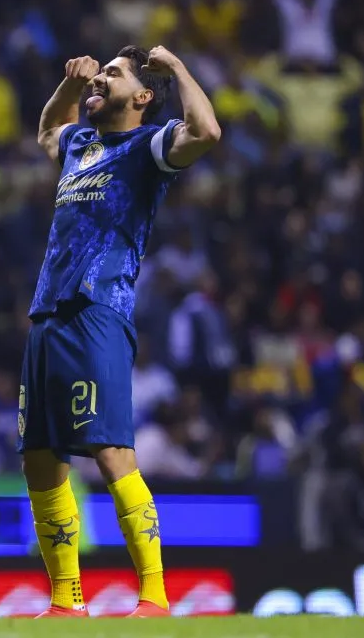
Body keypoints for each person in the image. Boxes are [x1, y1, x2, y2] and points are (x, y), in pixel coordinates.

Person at [20, 45, 221, 618]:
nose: (100, 78)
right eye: (100, 70)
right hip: (47, 313)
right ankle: (66, 602)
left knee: (110, 451)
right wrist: (68, 85)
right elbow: (46, 131)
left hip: (98, 310)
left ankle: (154, 596)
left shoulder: (146, 147)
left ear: (142, 96)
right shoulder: (81, 144)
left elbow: (206, 131)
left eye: (113, 73)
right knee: (39, 456)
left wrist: (179, 67)